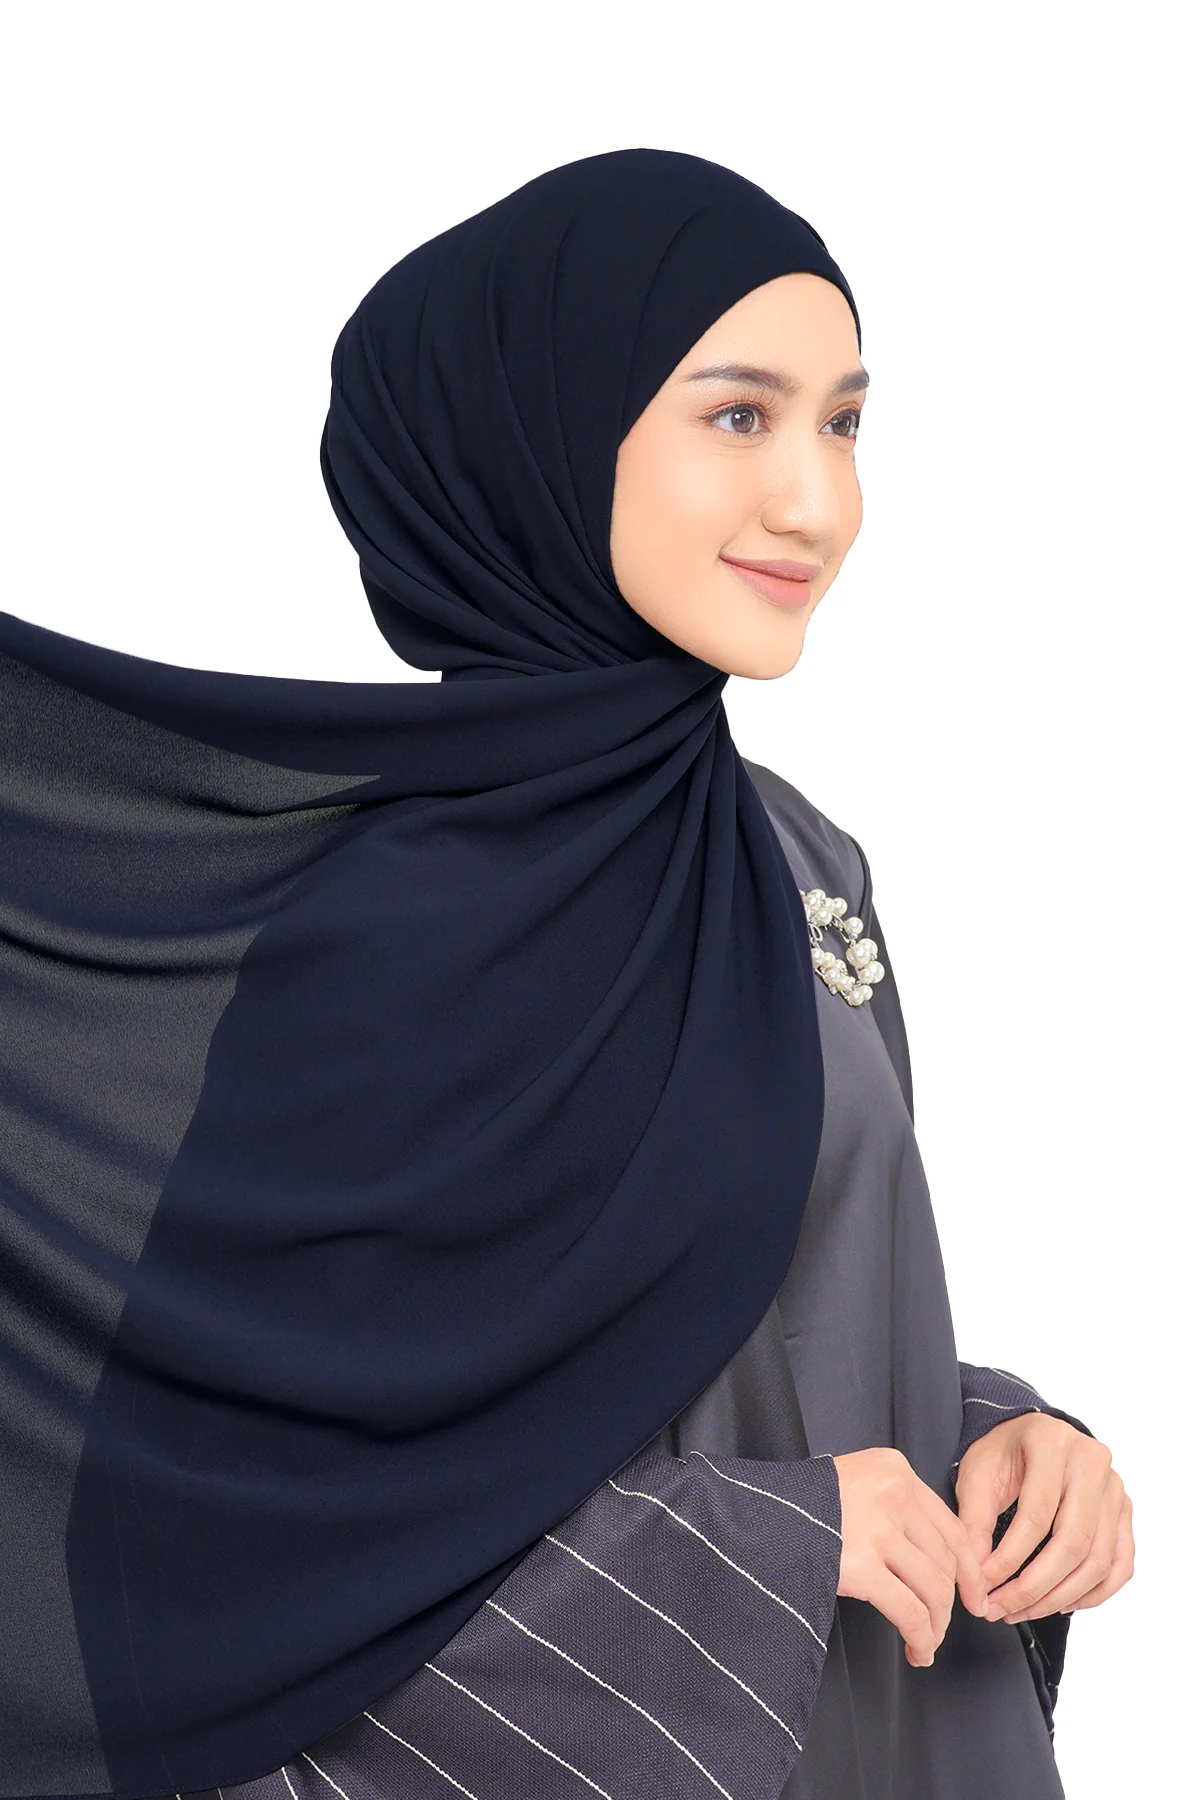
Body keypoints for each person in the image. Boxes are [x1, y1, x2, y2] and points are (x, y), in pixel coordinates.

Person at [0, 148, 1133, 1800]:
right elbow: (250, 1520)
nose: (816, 503)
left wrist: (1003, 1441)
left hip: (900, 1727)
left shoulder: (798, 860)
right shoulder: (379, 929)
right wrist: (768, 1544)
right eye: (738, 415)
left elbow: (754, 1311)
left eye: (843, 424)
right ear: (530, 443)